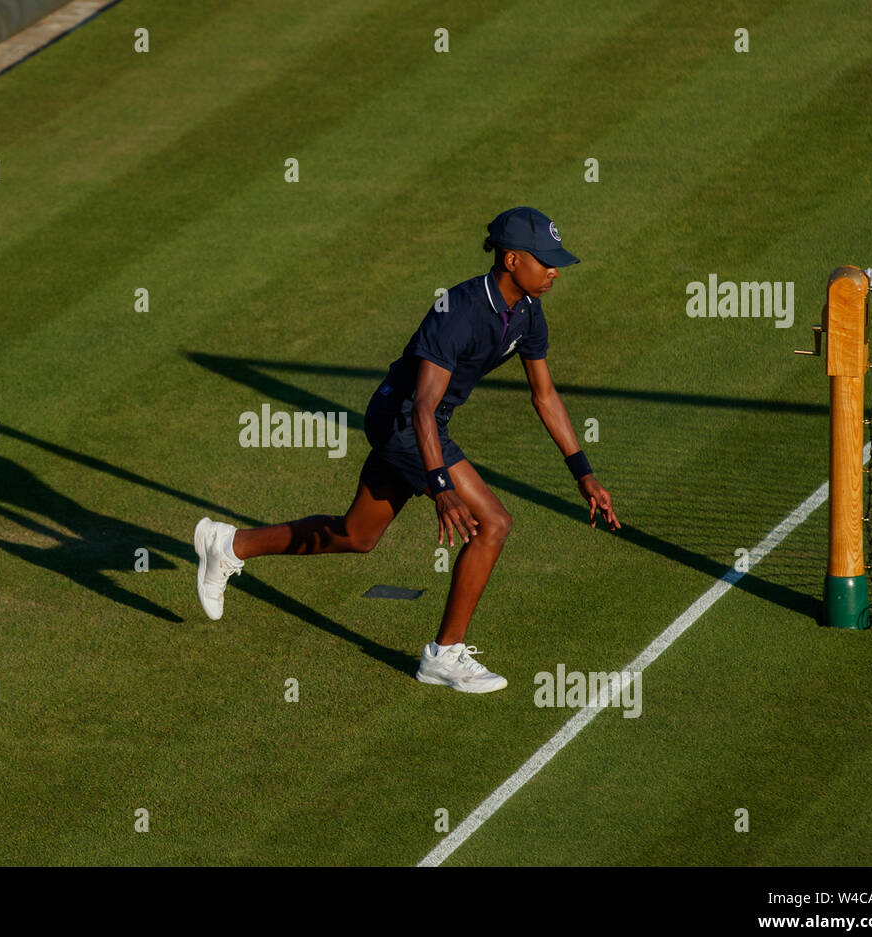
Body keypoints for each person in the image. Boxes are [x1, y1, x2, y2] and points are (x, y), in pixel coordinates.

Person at [194, 207, 620, 693]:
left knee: (356, 535)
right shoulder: (457, 312)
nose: (554, 270)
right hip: (403, 421)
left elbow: (544, 396)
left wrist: (582, 474)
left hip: (424, 423)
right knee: (494, 523)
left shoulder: (527, 312)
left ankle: (227, 544)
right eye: (545, 261)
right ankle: (444, 654)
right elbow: (422, 407)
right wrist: (440, 485)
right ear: (510, 259)